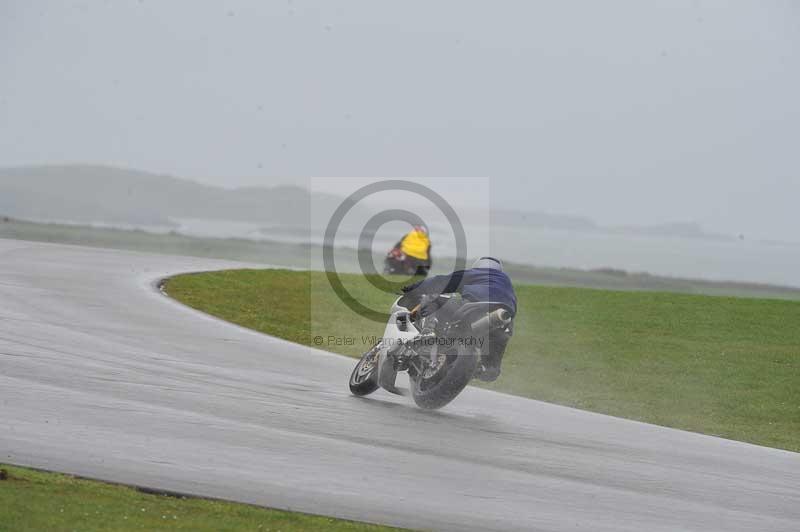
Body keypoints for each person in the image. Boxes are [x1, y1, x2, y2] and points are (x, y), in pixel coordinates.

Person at [401, 257, 517, 382]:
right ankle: (480, 369)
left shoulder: (477, 273)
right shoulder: (507, 285)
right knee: (491, 369)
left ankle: (427, 331)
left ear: (478, 266)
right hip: (504, 323)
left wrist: (412, 289)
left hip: (475, 308)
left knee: (433, 298)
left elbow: (441, 281)